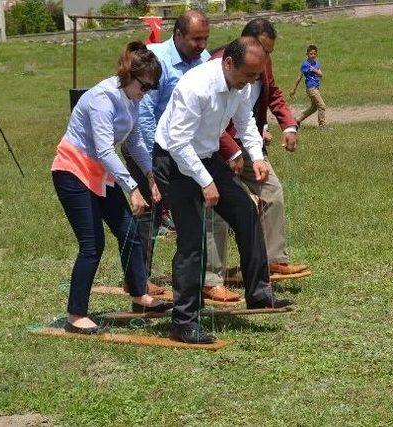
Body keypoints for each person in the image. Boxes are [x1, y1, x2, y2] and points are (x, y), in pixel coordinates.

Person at [153, 37, 294, 344]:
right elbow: (177, 143)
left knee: (245, 212)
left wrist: (256, 157)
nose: (250, 83)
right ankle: (184, 321)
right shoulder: (197, 87)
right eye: (247, 76)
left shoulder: (241, 84)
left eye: (256, 77)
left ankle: (259, 294)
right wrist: (205, 181)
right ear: (228, 63)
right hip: (174, 160)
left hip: (204, 154)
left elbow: (245, 125)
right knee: (191, 239)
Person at [51, 42, 173, 335]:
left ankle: (139, 294)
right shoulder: (102, 98)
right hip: (72, 172)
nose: (146, 93)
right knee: (92, 245)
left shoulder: (133, 98)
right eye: (144, 86)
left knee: (129, 232)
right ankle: (75, 314)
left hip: (98, 175)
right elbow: (105, 149)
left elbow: (134, 141)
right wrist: (132, 188)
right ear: (128, 75)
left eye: (151, 88)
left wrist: (150, 177)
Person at [207, 18, 308, 289]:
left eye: (270, 53)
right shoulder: (218, 65)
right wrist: (230, 151)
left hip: (247, 141)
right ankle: (211, 279)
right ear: (247, 42)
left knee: (271, 191)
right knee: (218, 207)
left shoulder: (261, 60)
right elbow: (209, 122)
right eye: (264, 50)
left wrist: (288, 124)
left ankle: (273, 259)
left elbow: (271, 92)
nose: (266, 58)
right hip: (216, 145)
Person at [121, 10, 214, 295]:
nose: (201, 45)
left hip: (182, 151)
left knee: (188, 215)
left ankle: (196, 280)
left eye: (205, 39)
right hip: (147, 148)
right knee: (148, 215)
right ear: (178, 35)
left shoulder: (205, 60)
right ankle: (138, 281)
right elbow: (145, 115)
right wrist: (151, 168)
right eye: (195, 39)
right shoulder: (156, 59)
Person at [290, 44, 327, 128]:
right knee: (322, 105)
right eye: (311, 54)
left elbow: (321, 74)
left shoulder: (317, 63)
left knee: (314, 107)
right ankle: (322, 126)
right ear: (307, 54)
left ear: (316, 54)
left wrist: (315, 70)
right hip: (311, 88)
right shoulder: (305, 64)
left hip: (316, 88)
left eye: (314, 54)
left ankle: (297, 120)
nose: (313, 55)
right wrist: (293, 89)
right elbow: (299, 77)